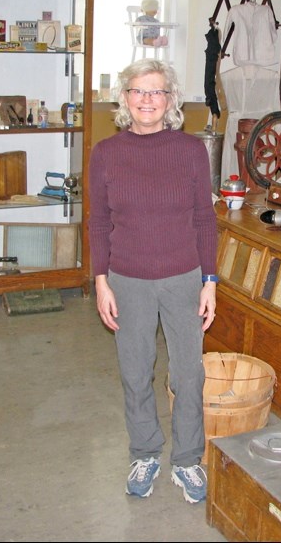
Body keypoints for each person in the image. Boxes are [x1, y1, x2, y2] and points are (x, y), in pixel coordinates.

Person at [87, 58, 218, 505]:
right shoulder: (105, 153)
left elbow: (205, 219)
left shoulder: (190, 151)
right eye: (139, 91)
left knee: (187, 374)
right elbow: (98, 223)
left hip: (183, 278)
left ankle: (186, 460)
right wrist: (101, 282)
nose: (147, 100)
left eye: (157, 92)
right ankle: (144, 453)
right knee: (136, 372)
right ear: (125, 98)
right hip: (128, 280)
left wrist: (210, 280)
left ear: (170, 100)